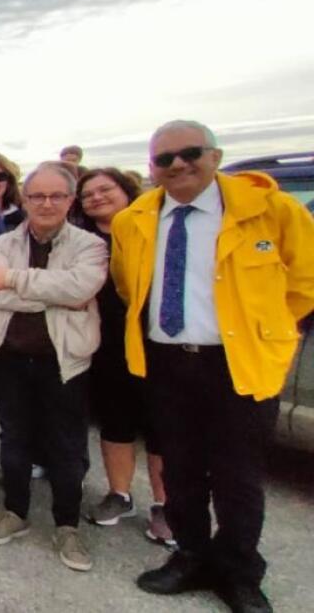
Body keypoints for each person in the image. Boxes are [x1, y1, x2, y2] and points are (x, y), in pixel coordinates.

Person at [111, 120, 314, 612]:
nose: (178, 165)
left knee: (237, 477)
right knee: (180, 471)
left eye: (191, 153)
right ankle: (190, 555)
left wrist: (262, 332)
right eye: (164, 159)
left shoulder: (271, 209)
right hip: (167, 363)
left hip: (236, 364)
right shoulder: (134, 220)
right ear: (152, 168)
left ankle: (239, 571)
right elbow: (127, 284)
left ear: (215, 157)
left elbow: (304, 283)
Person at [0, 162, 107, 572]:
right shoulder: (4, 242)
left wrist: (13, 280)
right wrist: (55, 293)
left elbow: (80, 288)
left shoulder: (89, 245)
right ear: (25, 199)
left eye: (56, 196)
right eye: (37, 196)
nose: (46, 204)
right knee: (14, 440)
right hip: (11, 357)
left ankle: (67, 526)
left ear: (70, 200)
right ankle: (15, 512)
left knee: (66, 446)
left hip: (64, 362)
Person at [77, 168, 170, 544]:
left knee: (161, 427)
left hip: (155, 343)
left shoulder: (155, 229)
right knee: (115, 422)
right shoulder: (82, 240)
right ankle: (119, 494)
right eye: (88, 194)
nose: (96, 198)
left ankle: (165, 505)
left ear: (126, 190)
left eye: (105, 189)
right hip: (105, 345)